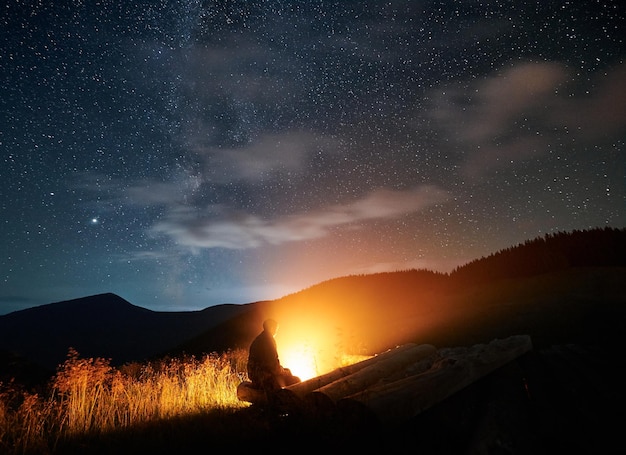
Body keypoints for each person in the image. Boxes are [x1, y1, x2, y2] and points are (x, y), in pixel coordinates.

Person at [247, 319, 300, 394]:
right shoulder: (269, 341)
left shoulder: (258, 339)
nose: (276, 331)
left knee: (286, 372)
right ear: (271, 328)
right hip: (264, 377)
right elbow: (273, 365)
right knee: (295, 380)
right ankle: (291, 400)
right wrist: (283, 371)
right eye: (276, 329)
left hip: (254, 375)